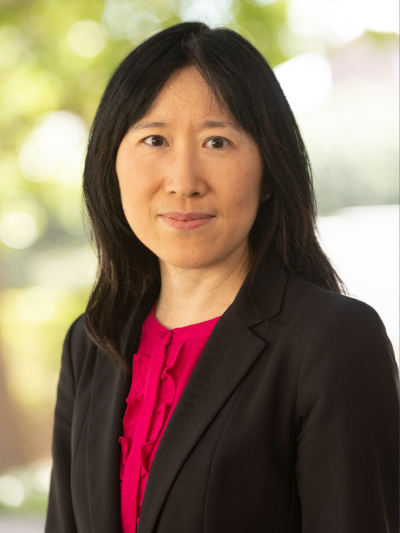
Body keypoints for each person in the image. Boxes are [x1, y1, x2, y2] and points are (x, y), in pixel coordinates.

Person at [45, 22, 398, 533]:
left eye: (217, 141)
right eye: (154, 139)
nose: (184, 182)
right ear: (110, 165)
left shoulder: (334, 341)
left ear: (270, 171)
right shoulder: (91, 342)